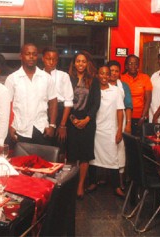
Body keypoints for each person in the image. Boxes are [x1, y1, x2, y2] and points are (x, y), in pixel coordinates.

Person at [5, 43, 58, 146]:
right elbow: (6, 105)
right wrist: (9, 126)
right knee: (20, 162)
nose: (31, 57)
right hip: (19, 129)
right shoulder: (12, 79)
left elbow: (53, 102)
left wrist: (52, 125)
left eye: (34, 54)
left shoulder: (46, 78)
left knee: (43, 162)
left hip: (42, 129)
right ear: (21, 56)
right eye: (28, 54)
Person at [66, 51, 100, 199]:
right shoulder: (69, 79)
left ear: (87, 64)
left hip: (88, 121)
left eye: (83, 61)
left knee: (85, 155)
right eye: (78, 61)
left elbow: (96, 103)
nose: (80, 64)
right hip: (71, 119)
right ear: (74, 63)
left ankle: (80, 185)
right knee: (72, 155)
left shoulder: (94, 80)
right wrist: (73, 119)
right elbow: (65, 101)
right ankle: (71, 185)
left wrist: (87, 119)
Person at [89, 65, 125, 197]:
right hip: (95, 129)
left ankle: (116, 186)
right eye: (101, 73)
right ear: (97, 75)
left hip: (110, 130)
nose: (104, 76)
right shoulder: (93, 90)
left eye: (107, 74)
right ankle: (93, 182)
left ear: (109, 76)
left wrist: (119, 129)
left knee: (112, 158)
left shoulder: (115, 91)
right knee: (92, 158)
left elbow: (120, 110)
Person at [42, 46, 74, 161]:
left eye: (54, 59)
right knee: (44, 148)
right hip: (43, 113)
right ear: (43, 59)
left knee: (60, 149)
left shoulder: (63, 76)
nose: (51, 62)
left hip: (60, 114)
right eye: (48, 58)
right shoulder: (38, 76)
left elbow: (68, 102)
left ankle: (59, 178)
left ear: (57, 60)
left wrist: (62, 125)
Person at [107, 60, 132, 191]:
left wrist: (127, 124)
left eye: (117, 71)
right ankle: (106, 179)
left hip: (119, 120)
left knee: (120, 150)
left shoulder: (124, 86)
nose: (114, 73)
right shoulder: (101, 85)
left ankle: (120, 182)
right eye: (111, 71)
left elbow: (128, 106)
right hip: (105, 121)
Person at [121, 54, 152, 136]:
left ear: (138, 65)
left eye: (135, 64)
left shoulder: (145, 78)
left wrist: (143, 117)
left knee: (139, 143)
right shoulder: (121, 78)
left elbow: (148, 99)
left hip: (140, 117)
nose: (133, 66)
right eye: (130, 64)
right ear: (126, 66)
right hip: (125, 117)